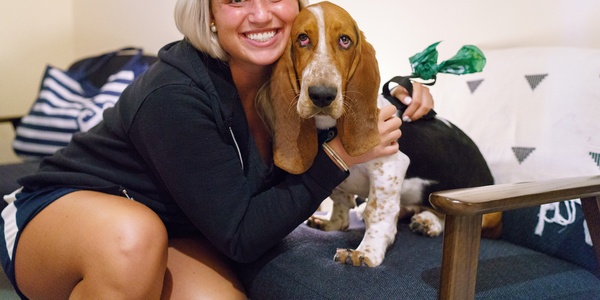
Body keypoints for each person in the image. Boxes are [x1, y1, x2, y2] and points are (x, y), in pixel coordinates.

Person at [0, 0, 433, 298]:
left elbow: (337, 79)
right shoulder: (173, 94)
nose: (260, 13)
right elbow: (241, 237)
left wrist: (401, 90)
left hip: (179, 225)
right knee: (132, 239)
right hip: (60, 212)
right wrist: (338, 156)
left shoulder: (282, 74)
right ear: (208, 14)